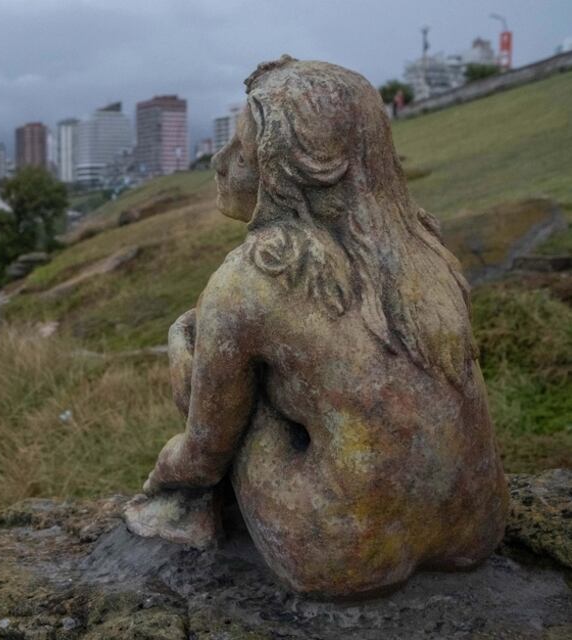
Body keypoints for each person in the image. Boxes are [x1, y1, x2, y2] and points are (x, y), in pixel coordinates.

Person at [125, 56, 507, 599]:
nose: (221, 160)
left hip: (336, 551)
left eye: (243, 150)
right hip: (477, 523)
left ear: (290, 169)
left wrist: (165, 473)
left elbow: (204, 450)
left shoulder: (249, 281)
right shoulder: (428, 250)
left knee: (203, 359)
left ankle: (190, 513)